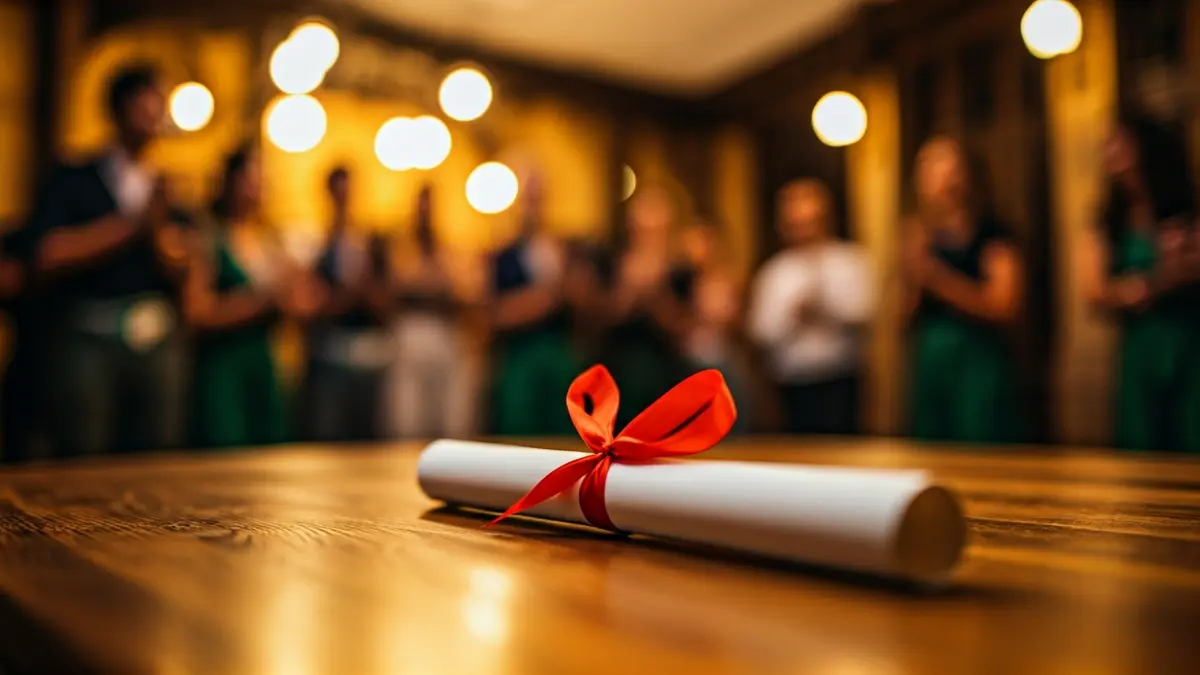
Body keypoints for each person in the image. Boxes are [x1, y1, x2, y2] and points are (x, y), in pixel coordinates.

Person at [25, 64, 190, 456]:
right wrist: (134, 226)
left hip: (154, 336)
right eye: (146, 101)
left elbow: (180, 264)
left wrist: (169, 241)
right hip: (89, 336)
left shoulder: (166, 187)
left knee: (155, 451)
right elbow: (47, 254)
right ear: (118, 109)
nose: (155, 114)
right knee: (85, 450)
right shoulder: (75, 177)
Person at [184, 145, 321, 448]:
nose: (260, 186)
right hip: (224, 365)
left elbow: (306, 301)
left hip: (264, 362)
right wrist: (261, 302)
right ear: (230, 181)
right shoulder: (208, 237)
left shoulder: (270, 240)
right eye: (252, 176)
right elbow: (197, 312)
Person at [1084, 116, 1200, 452]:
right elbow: (1094, 291)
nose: (1110, 157)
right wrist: (1150, 284)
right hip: (1140, 347)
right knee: (1143, 449)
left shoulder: (1188, 204)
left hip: (1189, 341)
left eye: (1120, 145)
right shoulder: (1110, 218)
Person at [904, 137, 1023, 443]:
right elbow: (902, 317)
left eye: (941, 163)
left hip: (977, 359)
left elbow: (1003, 305)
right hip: (932, 359)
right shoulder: (922, 235)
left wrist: (936, 278)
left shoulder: (992, 233)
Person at [747, 180, 872, 435]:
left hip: (839, 378)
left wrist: (825, 310)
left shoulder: (849, 261)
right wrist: (793, 316)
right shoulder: (775, 271)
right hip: (791, 383)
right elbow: (760, 331)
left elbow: (865, 312)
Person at [302, 166, 391, 441]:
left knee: (366, 431)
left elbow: (384, 298)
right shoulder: (314, 240)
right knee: (329, 429)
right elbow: (309, 302)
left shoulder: (371, 240)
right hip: (329, 349)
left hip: (366, 349)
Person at [488, 174, 580, 435]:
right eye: (528, 199)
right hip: (520, 354)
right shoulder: (504, 255)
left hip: (558, 352)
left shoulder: (563, 251)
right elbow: (495, 313)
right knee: (520, 425)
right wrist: (544, 299)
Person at [386, 184, 477, 439]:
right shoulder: (401, 248)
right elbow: (397, 286)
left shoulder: (449, 248)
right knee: (409, 418)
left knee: (448, 418)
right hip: (411, 337)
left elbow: (465, 291)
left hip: (445, 337)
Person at [600, 185, 694, 427]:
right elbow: (603, 319)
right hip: (622, 369)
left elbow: (684, 328)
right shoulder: (614, 262)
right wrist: (631, 290)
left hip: (666, 369)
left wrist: (656, 294)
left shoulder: (681, 269)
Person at [678, 218, 748, 431]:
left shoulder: (727, 280)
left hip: (722, 365)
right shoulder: (680, 283)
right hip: (688, 367)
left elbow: (736, 324)